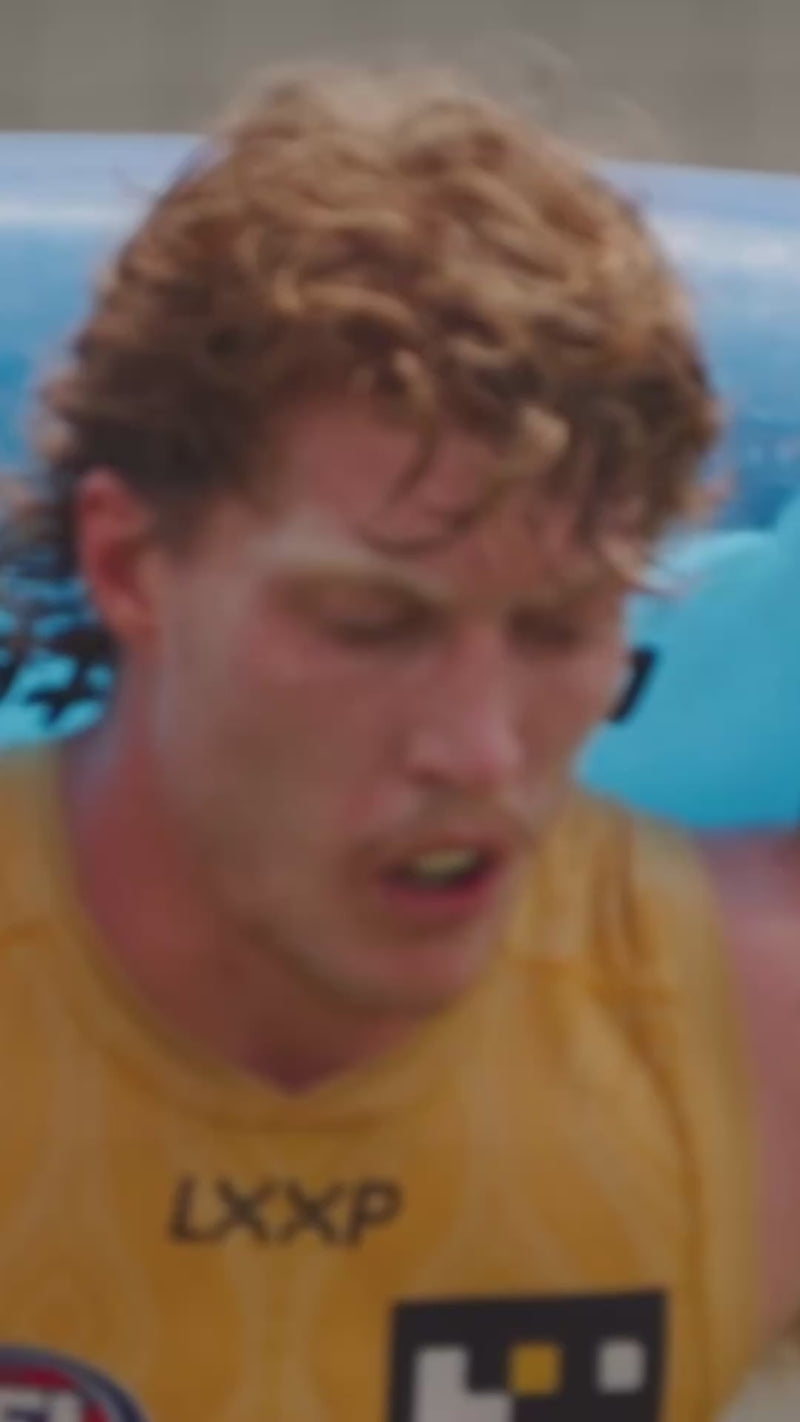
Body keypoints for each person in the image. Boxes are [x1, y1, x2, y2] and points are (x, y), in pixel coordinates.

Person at [0, 64, 796, 1422]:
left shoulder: (749, 1037)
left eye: (561, 629)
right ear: (128, 567)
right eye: (368, 625)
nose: (479, 751)